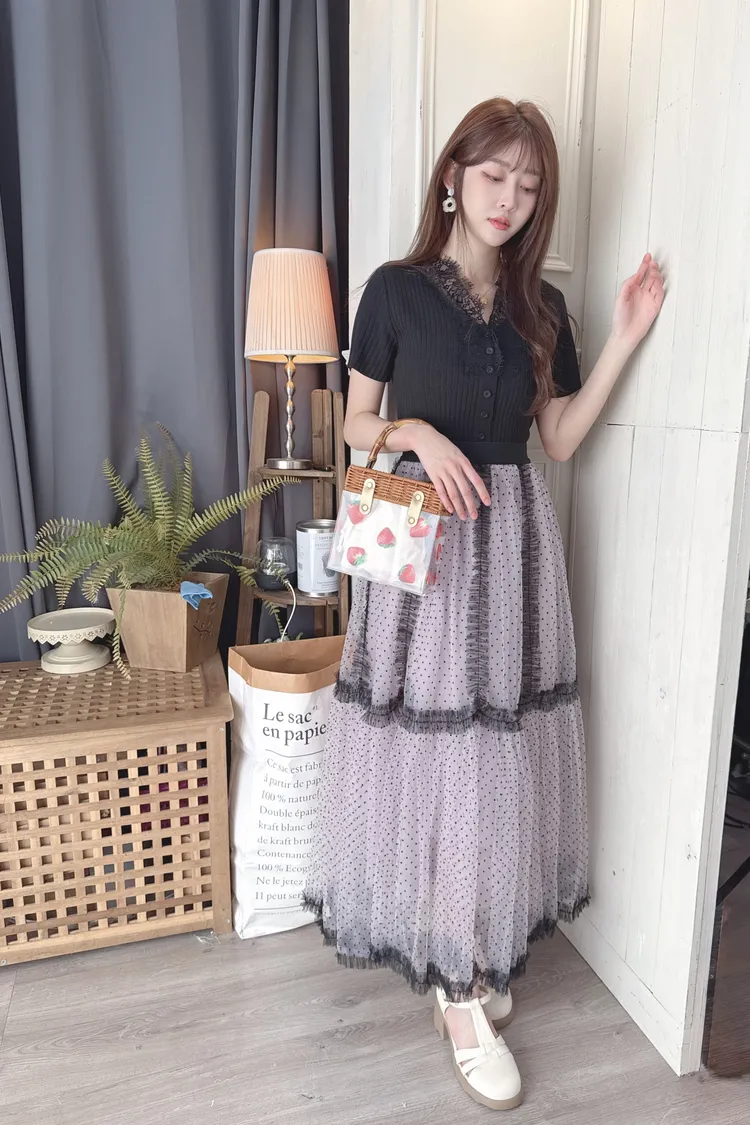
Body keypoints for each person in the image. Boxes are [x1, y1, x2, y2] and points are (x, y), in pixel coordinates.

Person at [303, 97, 664, 1112]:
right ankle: (460, 992)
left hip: (511, 550)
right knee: (443, 754)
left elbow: (558, 439)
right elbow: (353, 428)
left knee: (491, 754)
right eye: (495, 174)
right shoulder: (394, 291)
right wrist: (415, 430)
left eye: (530, 184)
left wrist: (627, 335)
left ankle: (460, 955)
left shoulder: (543, 309)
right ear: (453, 177)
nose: (510, 198)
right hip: (421, 544)